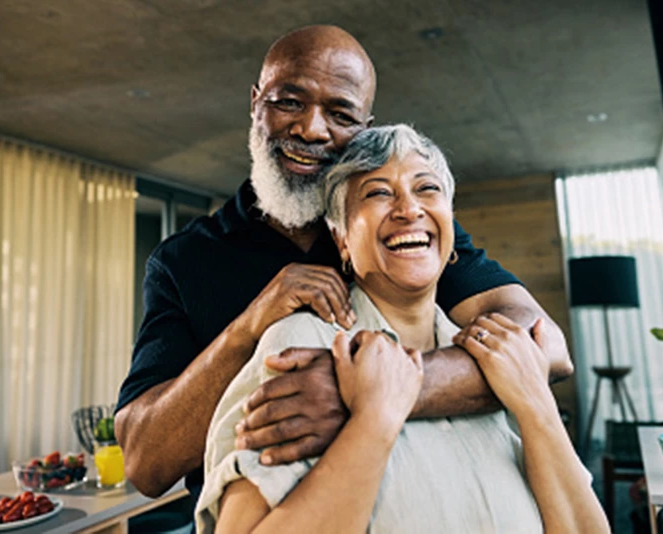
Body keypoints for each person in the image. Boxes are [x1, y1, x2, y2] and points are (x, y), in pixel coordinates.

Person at [114, 25, 573, 508]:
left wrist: (364, 394)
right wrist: (246, 329)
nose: (312, 130)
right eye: (289, 102)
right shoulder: (183, 260)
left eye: (340, 114)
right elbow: (146, 464)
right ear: (255, 104)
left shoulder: (399, 234)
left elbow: (546, 347)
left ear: (364, 126)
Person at [196, 124, 608, 533]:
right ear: (341, 239)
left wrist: (536, 405)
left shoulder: (496, 355)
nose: (409, 210)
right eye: (377, 192)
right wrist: (374, 418)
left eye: (427, 189)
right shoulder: (301, 347)